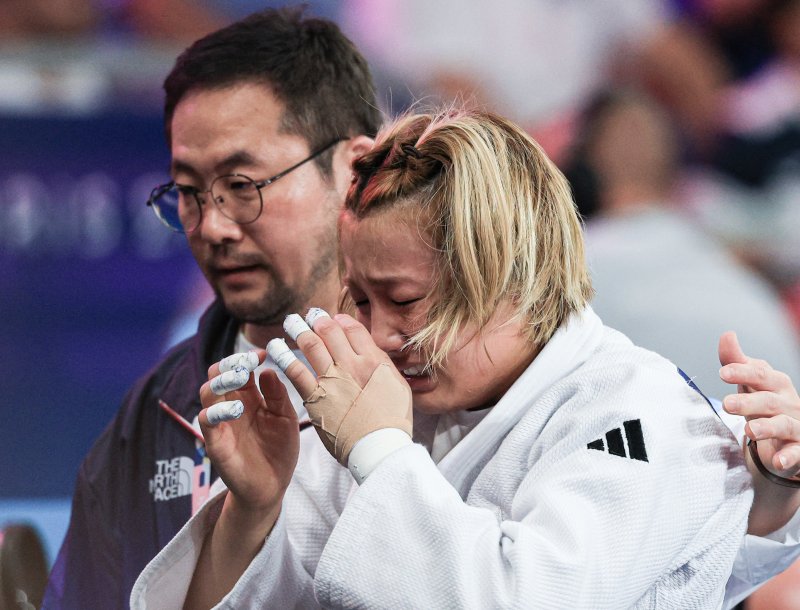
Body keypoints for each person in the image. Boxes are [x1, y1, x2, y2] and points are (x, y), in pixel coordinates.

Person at [132, 108, 757, 608]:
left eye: (404, 300)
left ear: (514, 274)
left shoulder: (642, 408)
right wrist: (253, 509)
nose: (376, 335)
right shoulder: (374, 400)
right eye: (359, 299)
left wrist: (378, 451)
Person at [42, 8, 380, 608]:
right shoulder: (153, 417)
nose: (212, 226)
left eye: (242, 185)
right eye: (189, 192)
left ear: (354, 170)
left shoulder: (441, 373)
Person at [564, 88, 800, 403]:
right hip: (670, 411)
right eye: (623, 128)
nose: (639, 135)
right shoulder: (573, 252)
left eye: (649, 123)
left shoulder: (714, 215)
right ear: (587, 154)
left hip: (773, 396)